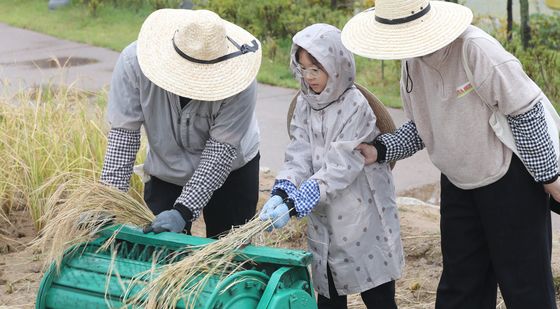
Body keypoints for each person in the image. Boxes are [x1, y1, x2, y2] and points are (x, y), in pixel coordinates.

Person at [341, 0, 559, 308]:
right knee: (461, 285)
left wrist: (548, 176)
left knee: (525, 286)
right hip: (458, 182)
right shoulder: (411, 63)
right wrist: (380, 149)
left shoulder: (475, 49)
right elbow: (422, 127)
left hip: (510, 180)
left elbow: (525, 110)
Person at [259, 24, 403, 309]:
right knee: (328, 290)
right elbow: (298, 150)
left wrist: (308, 191)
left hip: (361, 211)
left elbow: (343, 163)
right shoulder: (304, 102)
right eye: (303, 69)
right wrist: (285, 189)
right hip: (324, 214)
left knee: (376, 293)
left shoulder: (356, 106)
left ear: (336, 66)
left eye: (316, 69)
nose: (309, 77)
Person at [100, 9, 262, 239]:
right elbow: (123, 137)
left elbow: (220, 152)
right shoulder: (134, 64)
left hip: (232, 170)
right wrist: (108, 202)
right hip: (166, 168)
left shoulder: (241, 84)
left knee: (228, 254)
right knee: (157, 248)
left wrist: (183, 211)